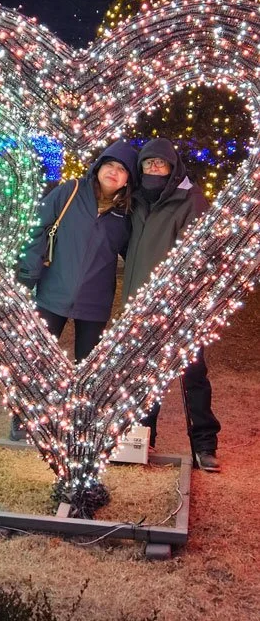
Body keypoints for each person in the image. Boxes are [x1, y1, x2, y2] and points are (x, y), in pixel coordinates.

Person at [13, 140, 138, 440]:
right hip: (53, 292)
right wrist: (28, 274)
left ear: (128, 179)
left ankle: (80, 423)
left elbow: (134, 252)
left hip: (95, 301)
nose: (114, 172)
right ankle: (25, 417)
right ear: (98, 167)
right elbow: (37, 228)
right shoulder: (69, 192)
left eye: (122, 170)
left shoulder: (127, 214)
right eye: (110, 165)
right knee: (38, 360)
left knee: (89, 368)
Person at [122, 138, 221, 472]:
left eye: (159, 164)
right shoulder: (134, 200)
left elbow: (201, 254)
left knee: (192, 376)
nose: (153, 169)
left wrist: (183, 299)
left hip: (181, 308)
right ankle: (141, 439)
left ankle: (204, 445)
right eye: (147, 164)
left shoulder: (190, 200)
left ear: (172, 166)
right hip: (140, 305)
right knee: (144, 377)